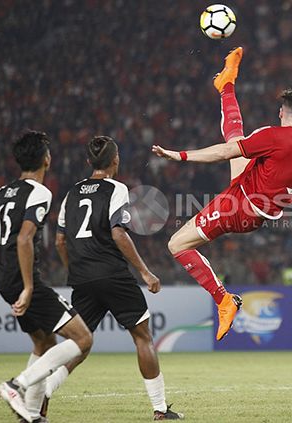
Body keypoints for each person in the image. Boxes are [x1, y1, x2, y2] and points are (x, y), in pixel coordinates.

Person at [152, 47, 292, 341]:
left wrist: (179, 156)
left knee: (176, 244)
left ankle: (223, 300)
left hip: (239, 207)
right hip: (255, 202)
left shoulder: (275, 135)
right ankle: (226, 85)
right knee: (237, 139)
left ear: (282, 113)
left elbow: (222, 153)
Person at [0, 131, 93, 422]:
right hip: (21, 279)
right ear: (46, 158)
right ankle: (16, 385)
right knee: (83, 339)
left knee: (44, 343)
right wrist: (29, 287)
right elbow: (24, 239)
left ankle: (30, 415)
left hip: (4, 279)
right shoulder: (39, 192)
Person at [50, 136, 182, 420]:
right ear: (115, 161)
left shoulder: (70, 194)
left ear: (88, 162)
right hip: (111, 273)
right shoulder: (116, 188)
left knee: (78, 343)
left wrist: (74, 269)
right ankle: (160, 410)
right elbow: (118, 232)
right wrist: (145, 272)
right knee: (142, 337)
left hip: (82, 277)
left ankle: (43, 391)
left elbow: (60, 241)